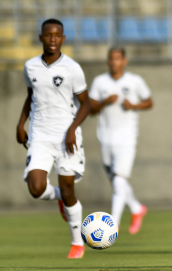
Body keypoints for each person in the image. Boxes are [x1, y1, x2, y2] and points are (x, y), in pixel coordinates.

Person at [16, 19, 90, 258]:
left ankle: (77, 243)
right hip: (40, 135)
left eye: (57, 35)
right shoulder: (30, 66)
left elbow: (86, 104)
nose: (53, 39)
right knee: (36, 189)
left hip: (67, 136)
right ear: (41, 38)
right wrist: (20, 123)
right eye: (48, 35)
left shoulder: (72, 68)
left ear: (63, 39)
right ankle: (60, 197)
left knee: (69, 190)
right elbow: (32, 96)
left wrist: (72, 129)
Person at [89, 47, 152, 234]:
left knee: (118, 181)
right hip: (105, 138)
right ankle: (136, 208)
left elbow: (149, 101)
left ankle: (113, 223)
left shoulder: (134, 81)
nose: (114, 62)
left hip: (127, 138)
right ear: (108, 61)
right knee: (117, 181)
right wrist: (104, 102)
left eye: (118, 59)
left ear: (124, 61)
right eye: (111, 59)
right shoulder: (100, 82)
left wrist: (134, 105)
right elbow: (91, 109)